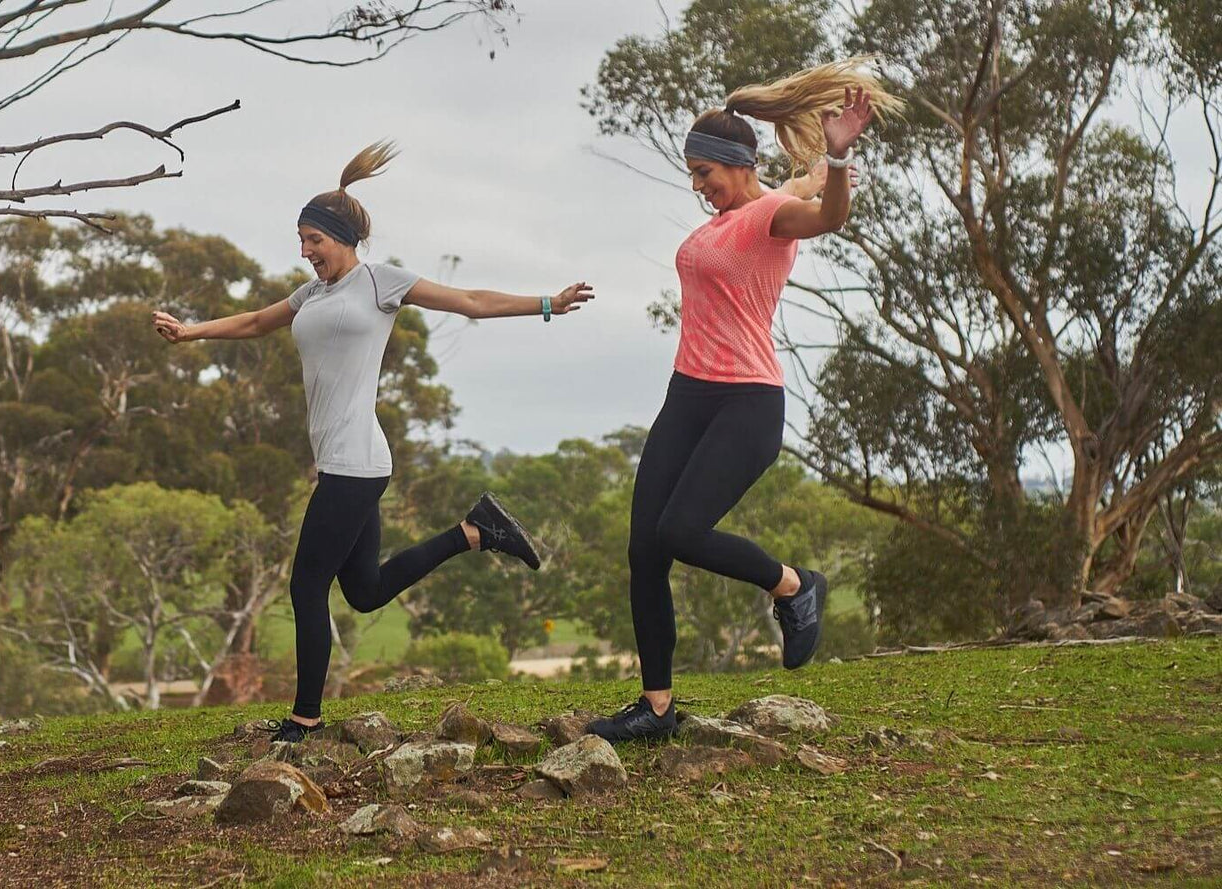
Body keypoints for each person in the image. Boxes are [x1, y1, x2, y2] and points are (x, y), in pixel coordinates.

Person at [151, 142, 594, 742]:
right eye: (301, 241)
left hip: (354, 462)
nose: (305, 252)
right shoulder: (311, 295)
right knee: (362, 592)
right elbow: (256, 322)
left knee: (307, 586)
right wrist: (190, 333)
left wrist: (546, 303)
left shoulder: (381, 283)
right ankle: (476, 531)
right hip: (346, 458)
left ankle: (304, 719)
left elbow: (469, 302)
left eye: (313, 240)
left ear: (342, 238)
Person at [587, 61, 903, 744]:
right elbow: (791, 182)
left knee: (680, 531)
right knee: (645, 548)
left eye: (706, 173)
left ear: (736, 164)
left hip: (746, 401)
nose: (699, 187)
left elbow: (829, 214)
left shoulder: (771, 217)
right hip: (686, 397)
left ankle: (793, 584)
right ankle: (657, 707)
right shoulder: (737, 211)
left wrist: (839, 156)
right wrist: (805, 170)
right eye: (693, 175)